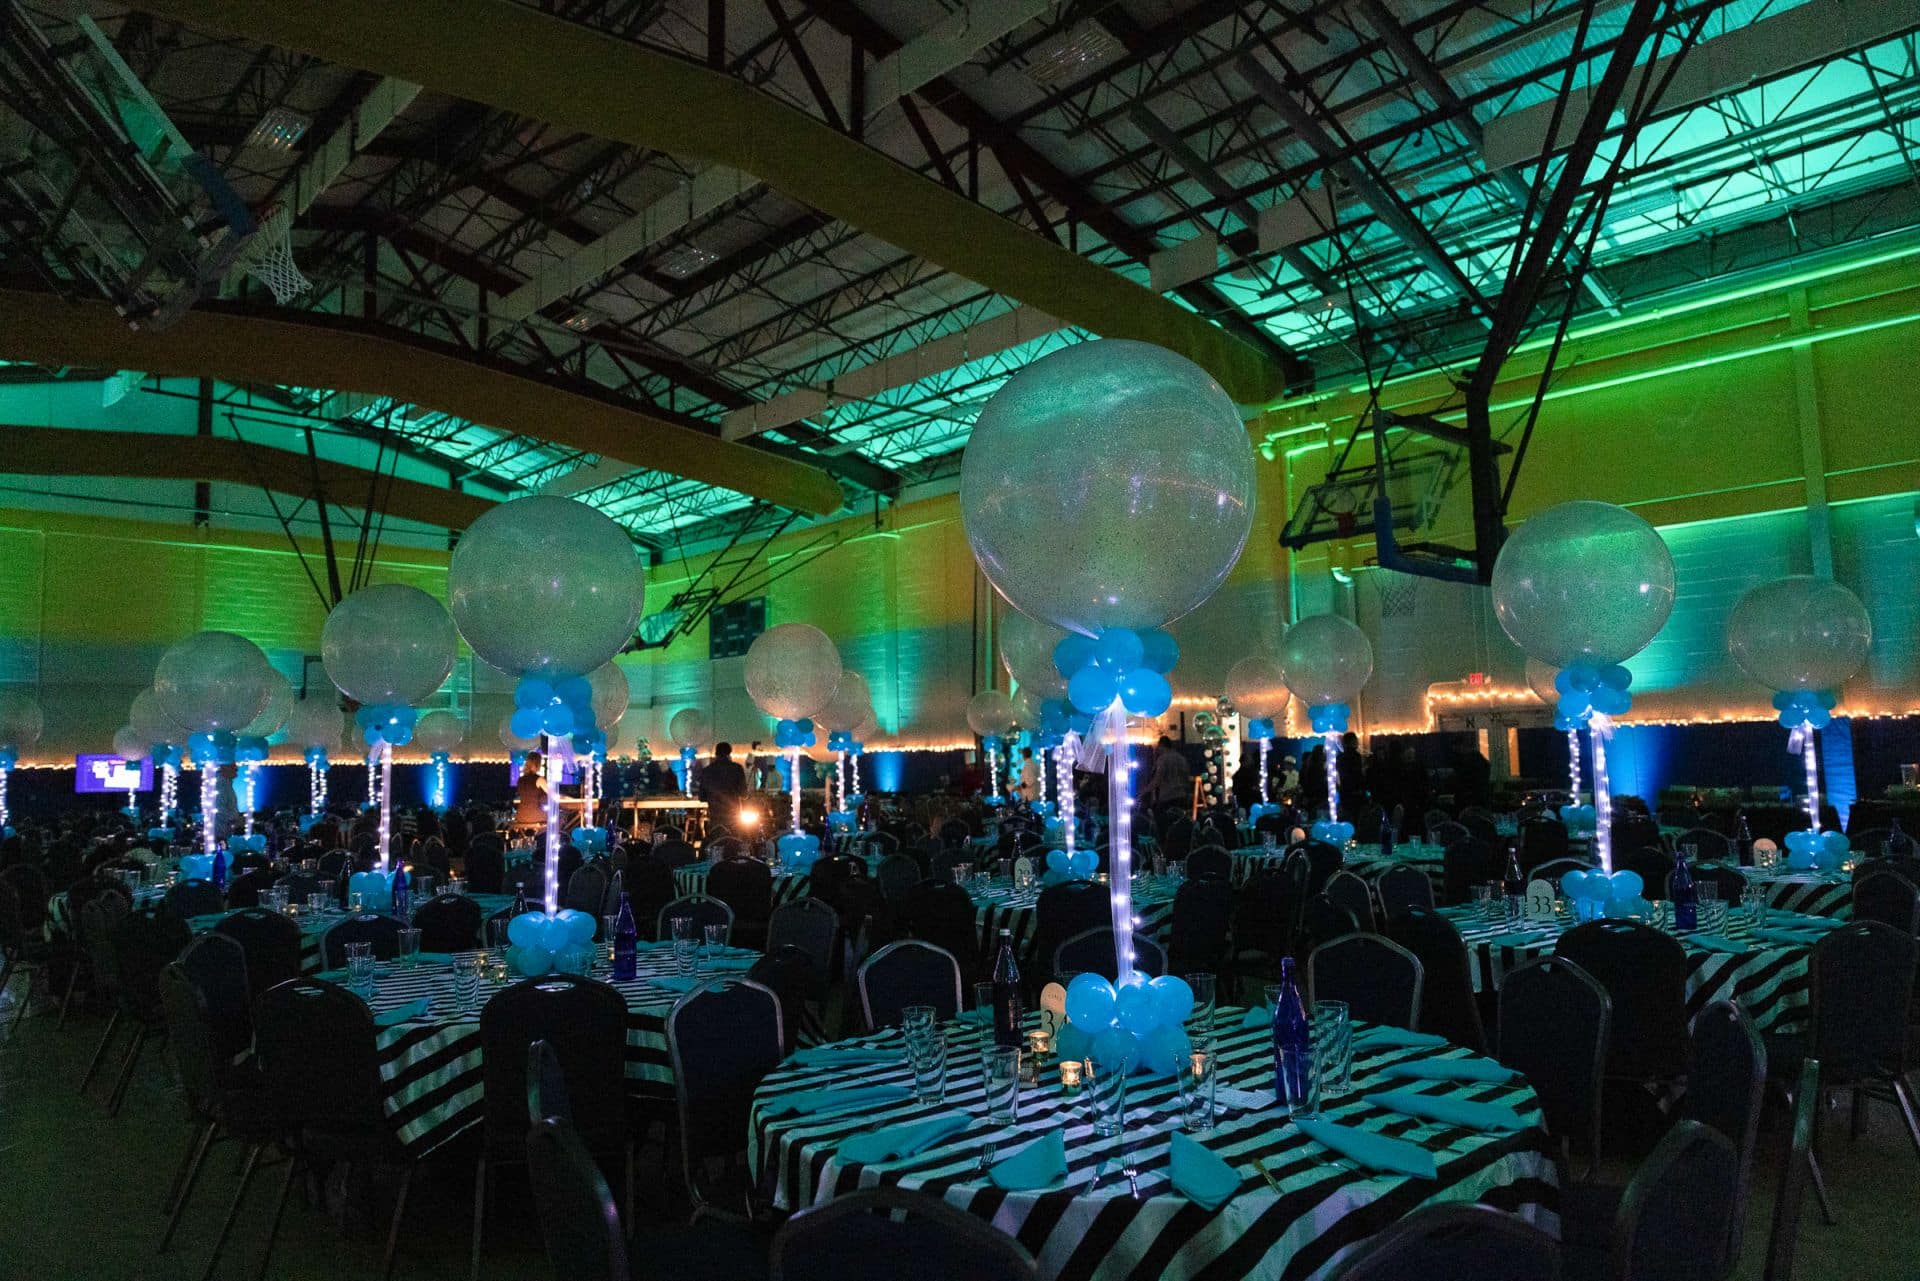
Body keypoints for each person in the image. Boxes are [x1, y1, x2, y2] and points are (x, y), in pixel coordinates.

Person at [700, 741, 749, 826]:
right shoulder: (737, 768)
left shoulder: (707, 771)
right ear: (729, 753)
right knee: (734, 833)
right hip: (733, 814)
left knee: (716, 833)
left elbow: (702, 797)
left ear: (716, 753)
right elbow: (744, 794)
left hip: (715, 814)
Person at [1144, 737, 1193, 811]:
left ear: (1161, 745)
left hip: (1167, 797)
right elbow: (1187, 777)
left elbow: (1158, 779)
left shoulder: (1163, 759)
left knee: (1164, 817)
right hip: (1181, 796)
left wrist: (1145, 791)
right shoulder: (1182, 758)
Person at [513, 751, 547, 826]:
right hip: (535, 815)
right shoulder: (539, 779)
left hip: (521, 816)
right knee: (559, 818)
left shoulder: (520, 780)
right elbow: (552, 794)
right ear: (537, 764)